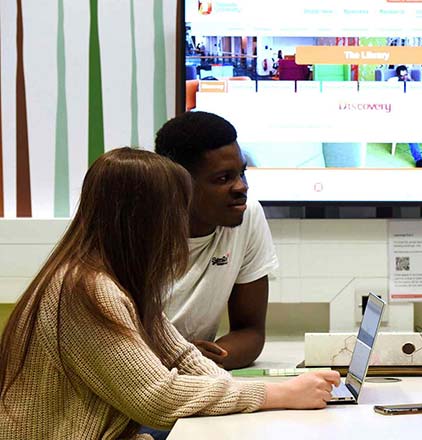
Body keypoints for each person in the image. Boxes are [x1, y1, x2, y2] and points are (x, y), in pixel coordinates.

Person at [0, 148, 341, 439]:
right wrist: (275, 393)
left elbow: (183, 358)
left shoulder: (118, 279)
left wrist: (274, 394)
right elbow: (158, 397)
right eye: (176, 212)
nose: (182, 225)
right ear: (144, 220)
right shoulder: (88, 289)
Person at [154, 111, 278, 371]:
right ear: (179, 184)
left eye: (242, 173)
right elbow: (111, 345)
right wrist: (182, 358)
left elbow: (250, 332)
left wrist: (198, 361)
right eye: (223, 179)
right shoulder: (136, 225)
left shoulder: (248, 214)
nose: (241, 187)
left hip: (192, 376)